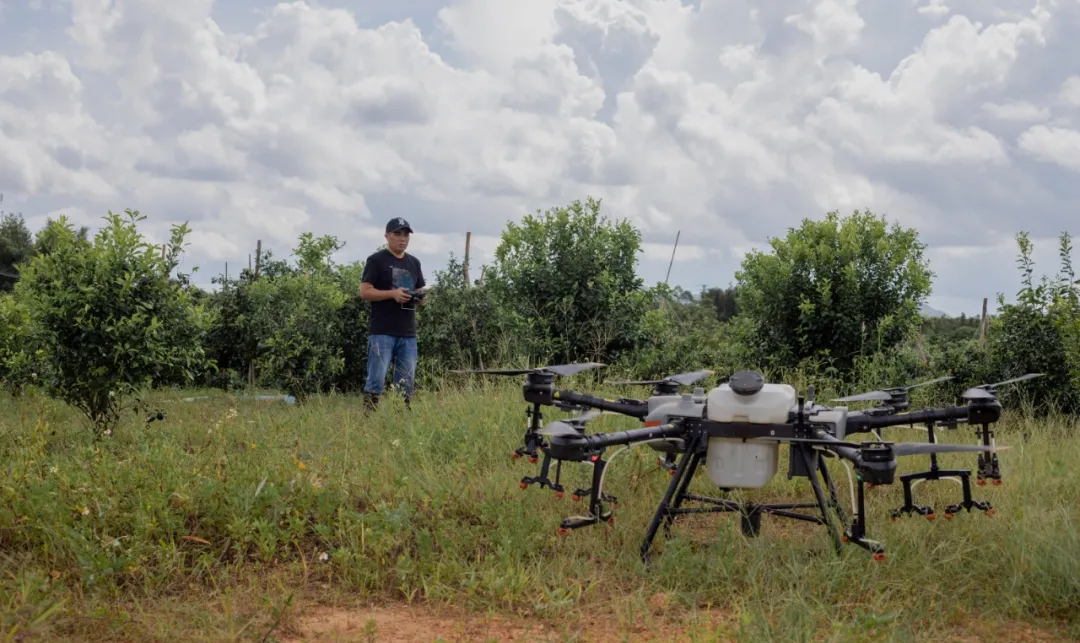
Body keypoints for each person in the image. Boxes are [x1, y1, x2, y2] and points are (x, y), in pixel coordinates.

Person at [359, 217, 427, 410]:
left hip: (408, 333)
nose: (402, 238)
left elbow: (421, 290)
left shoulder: (414, 262)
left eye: (406, 234)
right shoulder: (376, 260)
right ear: (387, 236)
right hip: (382, 331)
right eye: (397, 234)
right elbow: (364, 292)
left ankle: (401, 419)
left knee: (406, 382)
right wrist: (393, 294)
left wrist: (420, 297)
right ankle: (369, 419)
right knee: (376, 379)